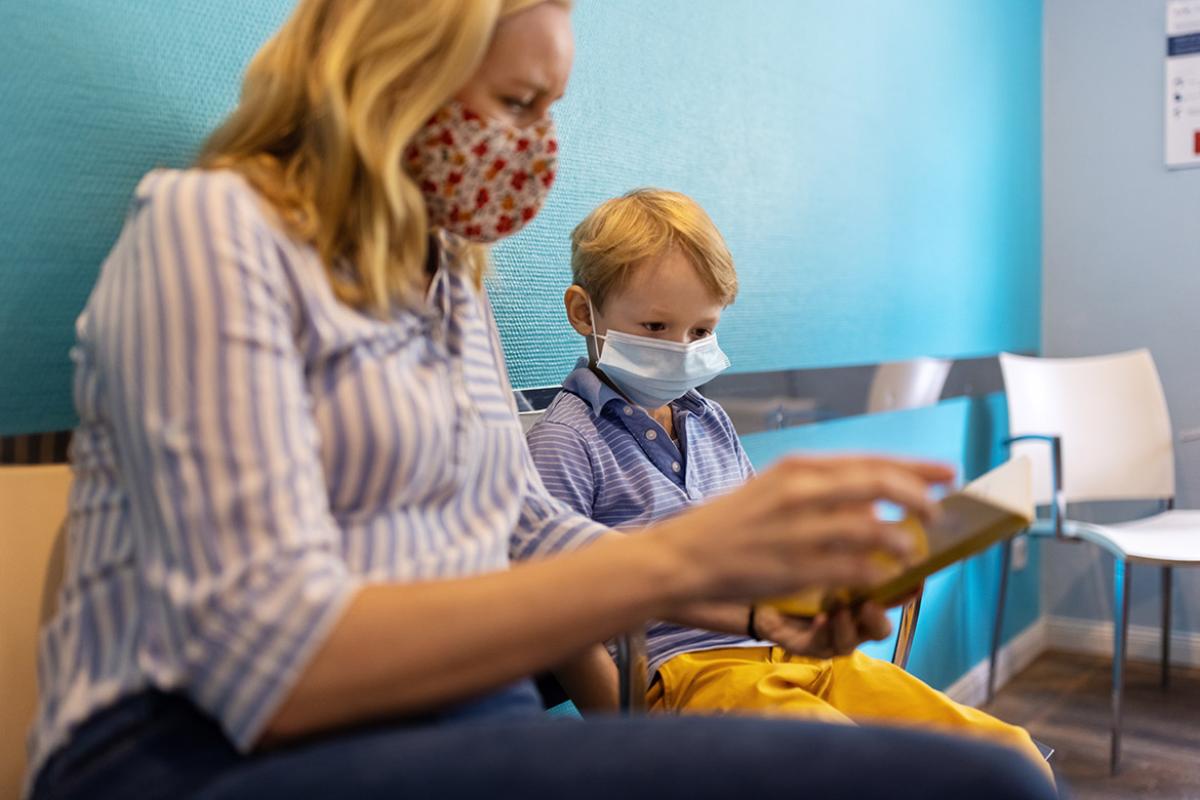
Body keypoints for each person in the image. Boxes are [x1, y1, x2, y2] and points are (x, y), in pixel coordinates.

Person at [26, 2, 1058, 799]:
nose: (540, 143)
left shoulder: (442, 280)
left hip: (453, 722)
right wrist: (686, 554)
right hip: (195, 753)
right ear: (394, 73)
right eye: (520, 104)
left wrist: (750, 600)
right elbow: (277, 664)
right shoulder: (211, 233)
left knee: (993, 770)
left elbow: (518, 528)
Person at [524, 188, 1053, 784]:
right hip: (692, 678)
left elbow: (767, 556)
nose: (681, 349)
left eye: (701, 331)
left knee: (1011, 759)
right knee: (867, 775)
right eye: (654, 326)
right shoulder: (566, 442)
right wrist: (632, 733)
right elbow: (558, 619)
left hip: (796, 655)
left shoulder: (710, 420)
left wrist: (857, 581)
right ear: (582, 313)